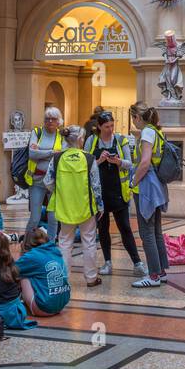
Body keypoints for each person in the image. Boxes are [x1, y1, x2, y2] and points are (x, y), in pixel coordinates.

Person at [87, 111, 144, 276]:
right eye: (106, 126)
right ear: (99, 126)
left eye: (112, 125)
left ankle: (137, 263)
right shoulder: (91, 141)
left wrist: (118, 162)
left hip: (118, 192)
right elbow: (86, 164)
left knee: (125, 227)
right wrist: (99, 161)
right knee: (103, 229)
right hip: (99, 192)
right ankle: (107, 262)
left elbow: (130, 163)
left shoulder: (121, 140)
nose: (110, 129)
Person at [45, 125, 102, 288]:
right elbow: (96, 185)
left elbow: (47, 182)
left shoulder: (57, 158)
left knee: (64, 242)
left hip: (65, 206)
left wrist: (60, 190)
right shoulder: (89, 158)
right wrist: (100, 205)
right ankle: (91, 278)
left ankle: (63, 279)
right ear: (79, 140)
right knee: (89, 241)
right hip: (86, 207)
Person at [129, 103, 170, 288]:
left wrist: (133, 182)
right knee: (156, 231)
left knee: (147, 232)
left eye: (133, 119)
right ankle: (160, 271)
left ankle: (153, 275)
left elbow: (144, 162)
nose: (133, 123)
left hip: (146, 185)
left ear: (137, 117)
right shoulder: (157, 131)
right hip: (157, 185)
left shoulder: (146, 132)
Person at [22, 107, 66, 239]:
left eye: (53, 119)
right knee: (35, 218)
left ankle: (51, 245)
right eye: (47, 119)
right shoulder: (37, 132)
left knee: (53, 218)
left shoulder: (61, 136)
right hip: (37, 180)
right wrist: (52, 152)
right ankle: (27, 243)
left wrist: (41, 151)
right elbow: (32, 154)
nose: (50, 121)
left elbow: (62, 156)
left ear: (59, 122)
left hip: (54, 182)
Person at [16, 228, 71, 317]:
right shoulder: (55, 251)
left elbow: (10, 271)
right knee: (35, 271)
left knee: (23, 274)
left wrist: (21, 253)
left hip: (43, 308)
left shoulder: (32, 256)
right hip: (61, 305)